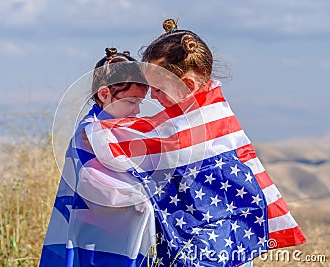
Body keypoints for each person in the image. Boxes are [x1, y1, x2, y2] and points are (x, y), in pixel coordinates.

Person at [85, 19, 307, 266]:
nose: (154, 97)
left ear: (187, 85)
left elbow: (150, 137)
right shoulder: (204, 110)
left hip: (224, 232)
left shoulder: (207, 120)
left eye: (158, 90)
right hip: (213, 232)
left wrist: (101, 129)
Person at [39, 48, 156, 267]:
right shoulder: (90, 133)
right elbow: (94, 184)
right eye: (131, 102)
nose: (137, 110)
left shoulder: (118, 129)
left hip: (114, 233)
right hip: (95, 237)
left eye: (139, 103)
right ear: (104, 95)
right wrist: (141, 198)